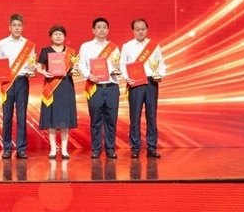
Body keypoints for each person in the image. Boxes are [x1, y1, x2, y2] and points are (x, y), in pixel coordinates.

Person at [120, 18, 166, 159]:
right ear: (133, 31)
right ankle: (135, 148)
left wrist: (161, 74)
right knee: (135, 117)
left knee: (151, 116)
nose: (140, 31)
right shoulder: (127, 46)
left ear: (147, 29)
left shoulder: (154, 46)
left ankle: (152, 147)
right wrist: (127, 77)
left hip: (151, 83)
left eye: (143, 29)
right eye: (137, 29)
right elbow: (122, 65)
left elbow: (161, 63)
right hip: (136, 84)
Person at [0, 13, 36, 159]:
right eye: (14, 25)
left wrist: (32, 69)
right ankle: (6, 148)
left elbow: (32, 64)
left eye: (19, 26)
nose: (17, 28)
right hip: (7, 83)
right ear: (9, 27)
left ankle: (21, 148)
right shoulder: (2, 43)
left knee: (21, 115)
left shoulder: (29, 45)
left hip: (22, 81)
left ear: (22, 27)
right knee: (7, 116)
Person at [79, 17, 121, 159]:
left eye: (104, 27)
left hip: (111, 86)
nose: (102, 30)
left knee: (111, 120)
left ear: (108, 30)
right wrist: (89, 75)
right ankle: (96, 148)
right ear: (93, 30)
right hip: (94, 87)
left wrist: (117, 69)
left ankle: (110, 148)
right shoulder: (86, 46)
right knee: (96, 120)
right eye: (99, 27)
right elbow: (81, 65)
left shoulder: (114, 48)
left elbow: (118, 66)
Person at [37, 25, 77, 159]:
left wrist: (75, 70)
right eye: (55, 34)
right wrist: (44, 72)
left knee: (65, 118)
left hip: (66, 86)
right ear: (51, 37)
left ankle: (64, 150)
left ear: (64, 37)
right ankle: (53, 149)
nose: (58, 36)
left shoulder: (70, 52)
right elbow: (38, 67)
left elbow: (74, 68)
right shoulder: (45, 51)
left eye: (60, 34)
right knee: (51, 118)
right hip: (51, 86)